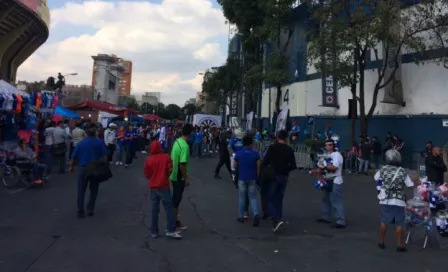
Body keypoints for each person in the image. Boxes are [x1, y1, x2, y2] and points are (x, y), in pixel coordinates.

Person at [374, 149, 416, 252]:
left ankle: (381, 242)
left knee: (384, 221)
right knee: (399, 223)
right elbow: (410, 185)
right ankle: (400, 245)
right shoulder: (402, 171)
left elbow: (376, 178)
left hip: (385, 200)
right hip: (399, 200)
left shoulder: (383, 169)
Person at [144, 140, 182, 239]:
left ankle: (154, 231)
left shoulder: (149, 159)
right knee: (169, 209)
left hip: (153, 186)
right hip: (164, 185)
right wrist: (165, 176)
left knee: (154, 210)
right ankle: (170, 230)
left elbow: (147, 174)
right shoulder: (165, 157)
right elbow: (170, 169)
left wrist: (153, 178)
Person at [70, 124, 108, 218]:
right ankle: (90, 209)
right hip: (95, 168)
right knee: (94, 190)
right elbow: (105, 156)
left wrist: (72, 167)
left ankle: (80, 211)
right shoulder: (99, 143)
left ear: (86, 133)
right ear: (95, 133)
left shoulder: (81, 143)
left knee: (81, 191)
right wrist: (103, 165)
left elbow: (73, 157)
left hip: (83, 168)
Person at [262, 130, 296, 232]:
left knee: (270, 196)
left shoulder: (272, 148)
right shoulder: (289, 150)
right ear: (285, 138)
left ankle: (275, 217)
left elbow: (265, 161)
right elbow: (293, 165)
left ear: (277, 137)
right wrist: (286, 169)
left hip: (273, 175)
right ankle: (278, 219)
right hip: (284, 176)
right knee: (279, 197)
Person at [316, 139, 346, 229]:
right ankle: (326, 216)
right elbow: (319, 165)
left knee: (336, 200)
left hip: (335, 179)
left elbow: (334, 167)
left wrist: (324, 167)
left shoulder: (337, 155)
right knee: (326, 199)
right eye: (326, 145)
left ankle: (341, 221)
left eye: (329, 145)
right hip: (327, 178)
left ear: (333, 146)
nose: (326, 146)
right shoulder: (326, 155)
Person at [169, 124, 193, 231]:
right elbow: (182, 164)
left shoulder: (177, 141)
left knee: (176, 200)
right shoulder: (185, 146)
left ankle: (175, 222)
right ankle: (172, 224)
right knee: (176, 201)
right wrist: (186, 178)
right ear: (190, 133)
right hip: (179, 176)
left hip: (173, 174)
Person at [233, 135, 261, 226]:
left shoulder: (239, 153)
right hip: (252, 177)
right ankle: (256, 214)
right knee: (253, 197)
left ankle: (241, 217)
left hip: (242, 177)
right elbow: (258, 166)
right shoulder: (255, 154)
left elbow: (234, 166)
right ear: (251, 144)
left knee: (242, 198)